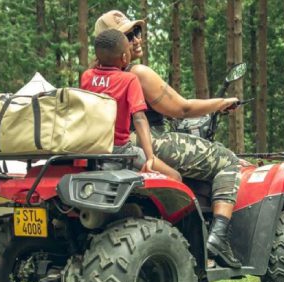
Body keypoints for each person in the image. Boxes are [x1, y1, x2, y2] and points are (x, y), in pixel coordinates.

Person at [94, 10, 248, 268]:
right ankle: (218, 238)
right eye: (129, 36)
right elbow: (182, 108)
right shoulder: (137, 73)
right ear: (113, 44)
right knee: (226, 160)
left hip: (111, 146)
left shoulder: (93, 75)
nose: (137, 40)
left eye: (138, 32)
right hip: (145, 141)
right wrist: (221, 103)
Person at [80, 28, 181, 182]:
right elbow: (139, 118)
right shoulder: (129, 79)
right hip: (120, 149)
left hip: (91, 149)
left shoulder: (87, 76)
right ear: (124, 57)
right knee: (175, 177)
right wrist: (150, 157)